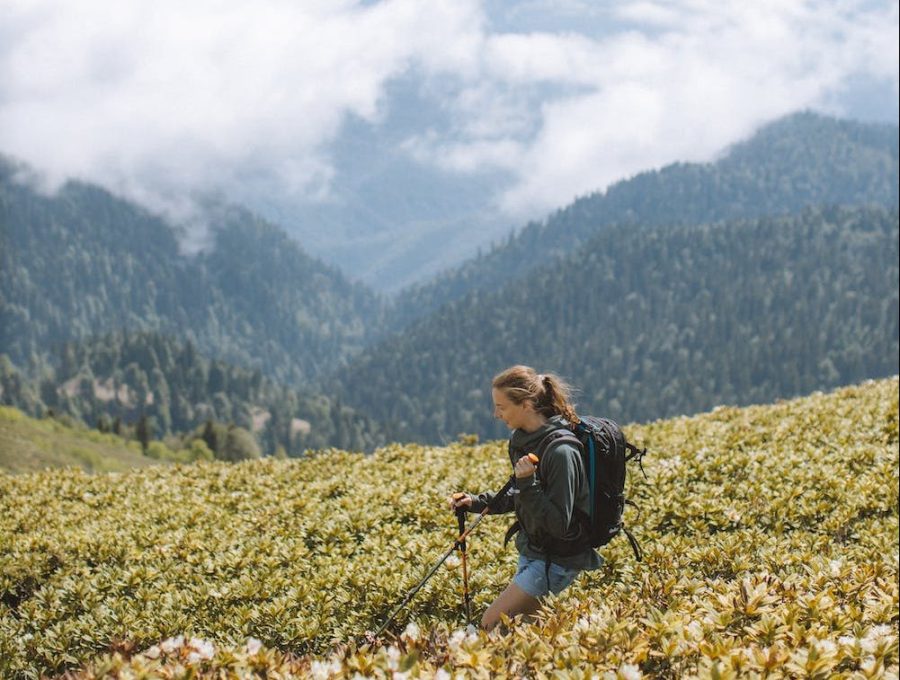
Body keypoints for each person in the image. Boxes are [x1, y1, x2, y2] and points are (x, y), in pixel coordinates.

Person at [448, 365, 603, 631]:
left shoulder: (562, 452)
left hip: (556, 561)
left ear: (527, 404)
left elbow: (558, 523)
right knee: (525, 634)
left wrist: (527, 482)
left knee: (490, 625)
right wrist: (476, 502)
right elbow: (518, 494)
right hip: (534, 553)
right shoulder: (523, 441)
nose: (496, 415)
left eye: (502, 407)